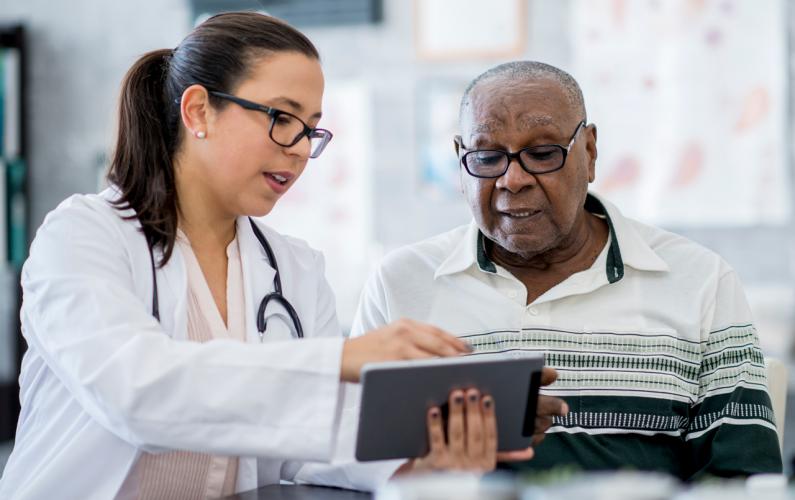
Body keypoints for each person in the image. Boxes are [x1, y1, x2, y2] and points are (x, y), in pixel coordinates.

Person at [0, 13, 540, 500]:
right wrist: (337, 361)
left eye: (311, 128)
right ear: (198, 111)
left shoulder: (295, 268)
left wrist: (423, 451)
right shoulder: (84, 236)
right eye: (282, 118)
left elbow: (312, 441)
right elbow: (136, 393)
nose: (302, 148)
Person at [350, 60, 783, 480]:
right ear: (460, 160)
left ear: (590, 152)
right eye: (486, 157)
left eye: (542, 154)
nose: (512, 179)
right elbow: (347, 465)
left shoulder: (700, 281)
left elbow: (742, 479)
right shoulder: (400, 283)